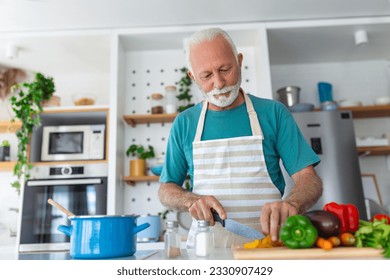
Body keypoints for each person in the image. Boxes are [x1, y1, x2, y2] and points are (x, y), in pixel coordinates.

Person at [158, 27, 323, 248]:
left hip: (267, 244)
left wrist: (292, 203)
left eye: (225, 69)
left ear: (239, 61)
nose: (219, 83)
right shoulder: (185, 123)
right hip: (207, 247)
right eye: (206, 75)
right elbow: (166, 189)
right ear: (193, 77)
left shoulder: (274, 113)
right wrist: (192, 200)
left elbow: (308, 177)